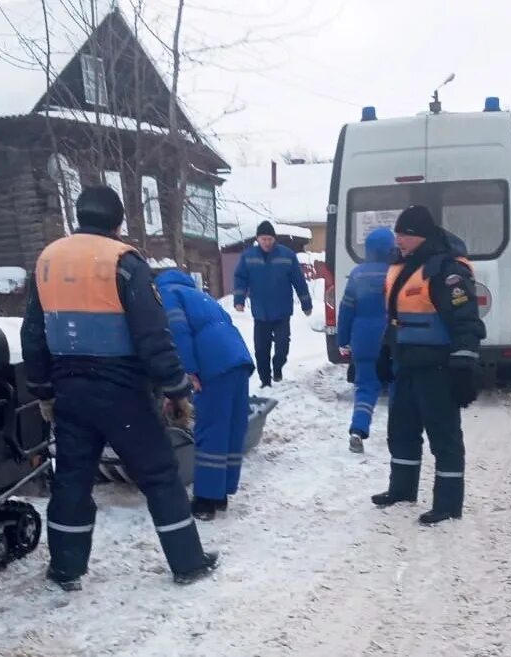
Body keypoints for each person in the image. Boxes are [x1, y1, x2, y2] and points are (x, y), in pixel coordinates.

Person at [20, 184, 218, 590]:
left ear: (80, 214)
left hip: (69, 388)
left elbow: (33, 334)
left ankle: (65, 570)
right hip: (122, 389)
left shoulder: (48, 260)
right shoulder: (124, 262)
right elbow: (152, 335)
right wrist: (176, 389)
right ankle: (188, 563)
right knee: (160, 474)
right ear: (117, 221)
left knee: (72, 478)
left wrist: (42, 390)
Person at [372, 205, 486, 525]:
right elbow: (396, 317)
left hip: (438, 367)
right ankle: (401, 489)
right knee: (402, 430)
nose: (399, 240)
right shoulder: (401, 266)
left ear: (421, 236)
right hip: (406, 363)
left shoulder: (445, 271)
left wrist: (464, 365)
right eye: (397, 234)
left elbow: (465, 322)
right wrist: (384, 351)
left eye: (405, 234)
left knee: (443, 435)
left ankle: (448, 504)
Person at [155, 269, 255, 521]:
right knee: (233, 425)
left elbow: (177, 330)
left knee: (211, 428)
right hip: (238, 357)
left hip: (213, 361)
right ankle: (221, 494)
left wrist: (188, 369)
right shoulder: (200, 296)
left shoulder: (168, 294)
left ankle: (205, 502)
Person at [336, 227, 396, 454]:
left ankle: (358, 430)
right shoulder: (396, 273)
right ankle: (398, 434)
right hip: (391, 339)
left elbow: (346, 310)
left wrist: (342, 339)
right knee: (398, 384)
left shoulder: (357, 274)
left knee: (365, 387)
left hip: (362, 339)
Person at [233, 221, 312, 388]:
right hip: (260, 311)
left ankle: (278, 366)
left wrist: (306, 303)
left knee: (282, 346)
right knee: (261, 350)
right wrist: (239, 300)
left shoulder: (287, 255)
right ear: (258, 239)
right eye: (263, 239)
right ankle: (265, 381)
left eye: (269, 239)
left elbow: (299, 280)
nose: (267, 242)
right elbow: (240, 278)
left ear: (274, 239)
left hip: (282, 310)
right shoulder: (248, 257)